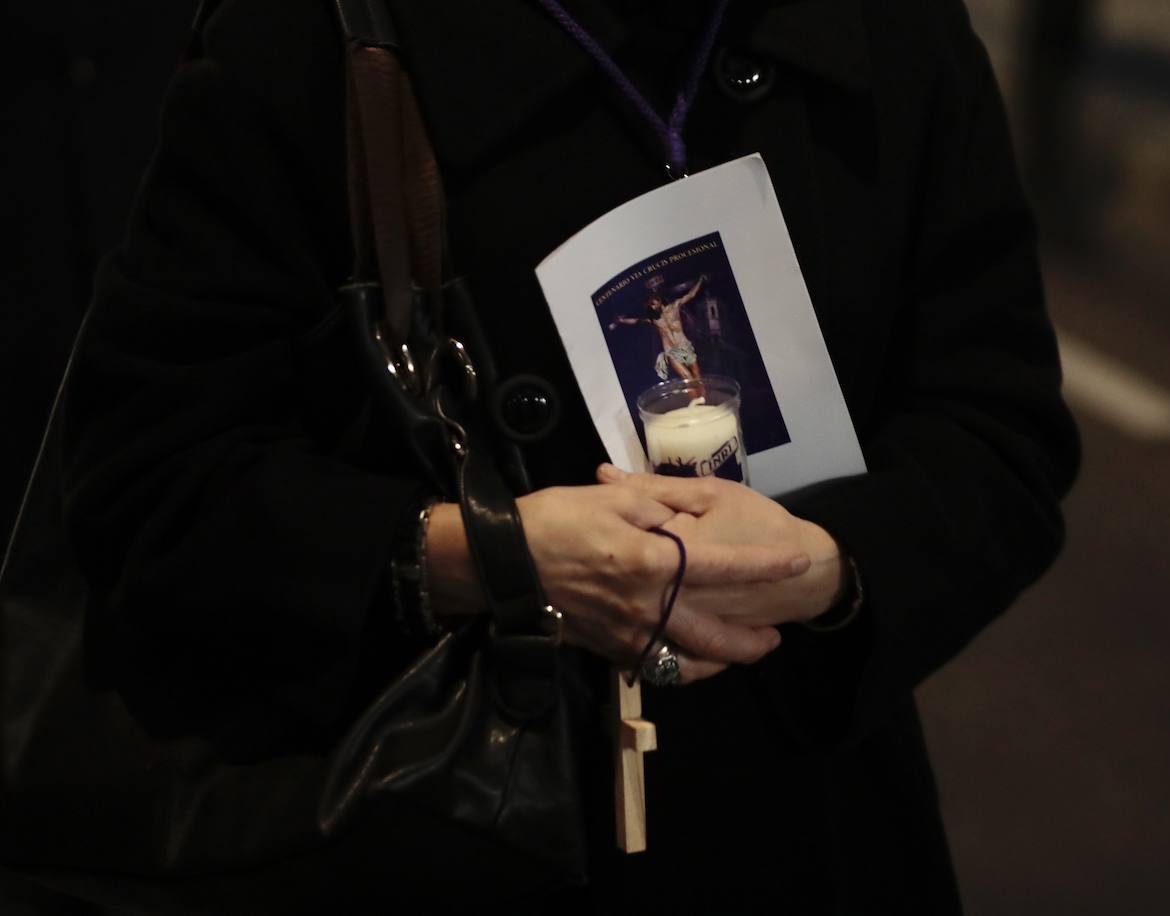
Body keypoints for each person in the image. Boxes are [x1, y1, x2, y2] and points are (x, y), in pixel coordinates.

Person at [61, 0, 1079, 912]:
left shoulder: (891, 33)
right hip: (428, 820)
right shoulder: (320, 39)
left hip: (804, 820)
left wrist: (824, 566)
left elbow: (998, 429)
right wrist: (491, 559)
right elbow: (152, 480)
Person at [607, 275, 708, 385]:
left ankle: (703, 399)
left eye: (654, 304)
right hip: (672, 351)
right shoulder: (655, 319)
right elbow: (637, 321)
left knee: (697, 375)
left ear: (659, 301)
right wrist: (622, 320)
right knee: (687, 377)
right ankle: (696, 400)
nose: (653, 308)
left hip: (685, 346)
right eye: (651, 306)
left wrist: (700, 280)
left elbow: (691, 294)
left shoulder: (674, 307)